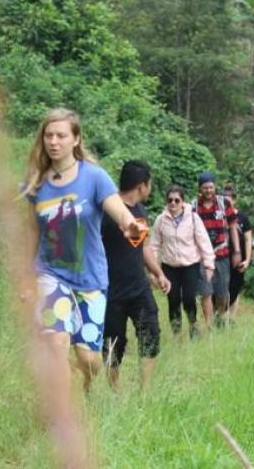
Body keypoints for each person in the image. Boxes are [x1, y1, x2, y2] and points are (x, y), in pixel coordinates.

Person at [24, 108, 145, 394]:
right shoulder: (37, 183)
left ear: (76, 139)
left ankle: (85, 384)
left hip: (90, 278)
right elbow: (32, 232)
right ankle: (63, 408)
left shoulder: (94, 177)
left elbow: (120, 212)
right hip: (50, 274)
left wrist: (130, 225)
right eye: (48, 135)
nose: (54, 142)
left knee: (89, 360)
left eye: (61, 136)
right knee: (56, 342)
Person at [101, 160, 171, 392]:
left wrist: (158, 273)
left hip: (139, 288)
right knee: (113, 342)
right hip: (110, 290)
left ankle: (145, 390)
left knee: (151, 333)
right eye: (149, 183)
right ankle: (115, 390)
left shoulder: (140, 211)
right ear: (142, 185)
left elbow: (143, 247)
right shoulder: (107, 211)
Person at [151, 185, 215, 339]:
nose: (173, 203)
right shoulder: (161, 220)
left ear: (182, 202)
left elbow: (204, 242)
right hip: (169, 266)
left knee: (189, 298)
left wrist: (209, 264)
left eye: (176, 200)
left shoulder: (193, 218)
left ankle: (193, 326)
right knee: (173, 300)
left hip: (190, 265)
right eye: (170, 200)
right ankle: (177, 334)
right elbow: (154, 245)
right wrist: (154, 270)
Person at [191, 172, 240, 328]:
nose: (209, 190)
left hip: (221, 253)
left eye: (211, 187)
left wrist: (237, 251)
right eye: (205, 187)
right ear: (200, 189)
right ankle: (209, 325)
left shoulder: (223, 203)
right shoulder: (193, 207)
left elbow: (233, 227)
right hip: (202, 256)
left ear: (215, 187)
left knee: (222, 292)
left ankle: (219, 316)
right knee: (205, 291)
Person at [222, 184, 252, 322]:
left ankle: (231, 318)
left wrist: (248, 260)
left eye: (229, 198)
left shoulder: (242, 217)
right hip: (221, 257)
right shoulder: (218, 215)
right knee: (221, 286)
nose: (227, 201)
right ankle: (221, 316)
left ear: (234, 199)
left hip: (239, 257)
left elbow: (248, 239)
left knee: (235, 286)